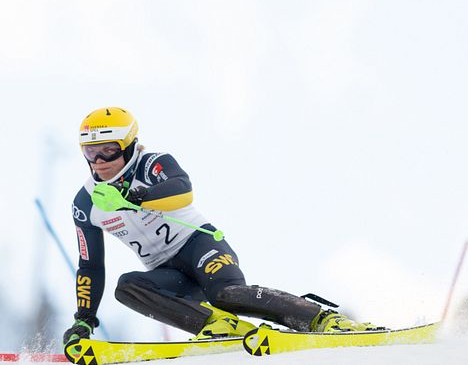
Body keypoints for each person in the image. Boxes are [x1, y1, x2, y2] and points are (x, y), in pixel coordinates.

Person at [63, 107, 380, 346]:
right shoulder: (85, 203)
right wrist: (84, 320)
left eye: (109, 150)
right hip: (169, 274)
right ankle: (218, 328)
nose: (99, 161)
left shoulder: (152, 164)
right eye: (90, 152)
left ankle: (323, 320)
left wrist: (138, 196)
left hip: (200, 246)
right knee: (127, 286)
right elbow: (90, 266)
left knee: (225, 294)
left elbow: (182, 189)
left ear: (130, 146)